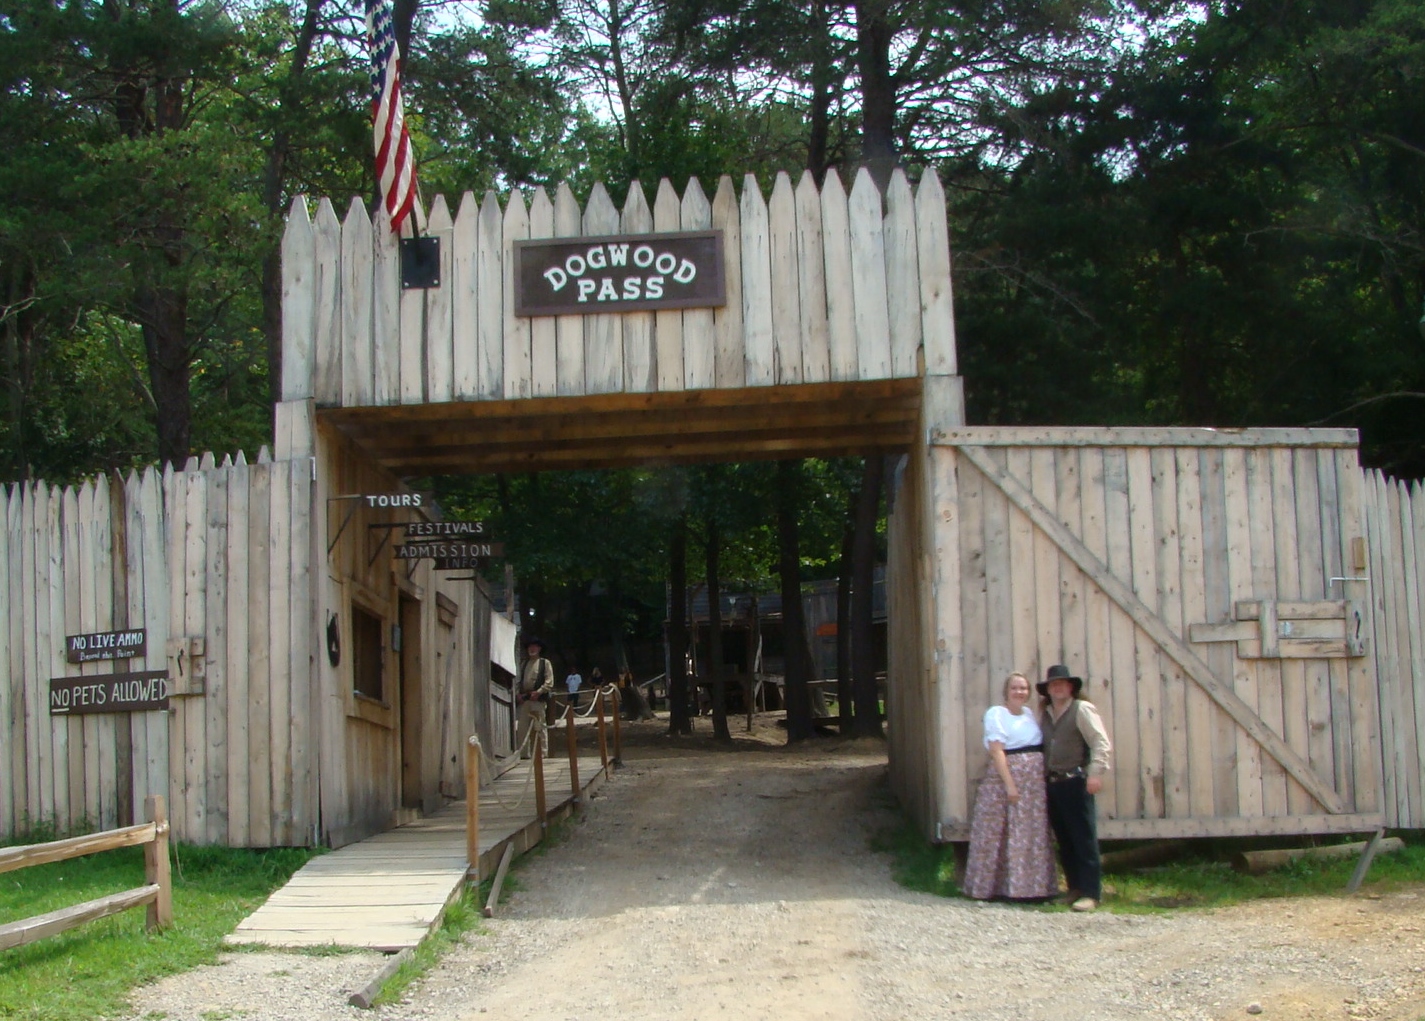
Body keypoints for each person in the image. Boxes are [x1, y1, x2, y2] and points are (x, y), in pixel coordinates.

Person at [961, 672, 1057, 901]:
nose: (1019, 692)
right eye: (1015, 688)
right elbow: (996, 750)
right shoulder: (997, 714)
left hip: (1033, 784)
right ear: (1006, 691)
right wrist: (1010, 785)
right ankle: (991, 888)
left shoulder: (1029, 714)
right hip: (1006, 780)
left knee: (1028, 833)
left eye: (1023, 688)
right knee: (998, 832)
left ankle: (1030, 889)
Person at [1038, 663, 1112, 912]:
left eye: (1062, 683)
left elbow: (1100, 743)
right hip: (1054, 783)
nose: (1057, 687)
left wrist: (1095, 773)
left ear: (1071, 687)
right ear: (1048, 689)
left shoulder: (1082, 709)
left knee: (1083, 839)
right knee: (1065, 839)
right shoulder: (1046, 714)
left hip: (1076, 780)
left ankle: (1091, 892)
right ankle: (1074, 888)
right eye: (1053, 684)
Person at [516, 638, 554, 758]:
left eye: (534, 647)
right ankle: (523, 753)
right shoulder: (524, 664)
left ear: (539, 649)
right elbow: (518, 681)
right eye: (530, 647)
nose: (532, 649)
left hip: (537, 699)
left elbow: (549, 681)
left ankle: (542, 753)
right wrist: (518, 694)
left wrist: (539, 692)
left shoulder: (545, 663)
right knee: (522, 727)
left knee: (540, 726)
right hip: (525, 699)